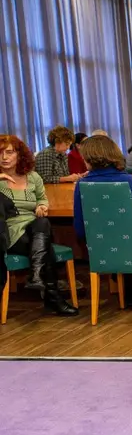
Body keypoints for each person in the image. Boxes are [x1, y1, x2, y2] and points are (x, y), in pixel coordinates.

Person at [74, 135, 132, 308]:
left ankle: (126, 292)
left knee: (123, 244)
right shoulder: (127, 180)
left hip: (100, 242)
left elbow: (79, 223)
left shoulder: (82, 184)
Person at [0, 134, 78, 316]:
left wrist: (43, 206)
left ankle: (37, 276)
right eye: (1, 153)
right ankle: (52, 297)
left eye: (9, 152)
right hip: (9, 232)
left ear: (19, 154)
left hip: (33, 228)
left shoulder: (33, 177)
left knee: (42, 224)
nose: (4, 157)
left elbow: (42, 198)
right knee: (45, 246)